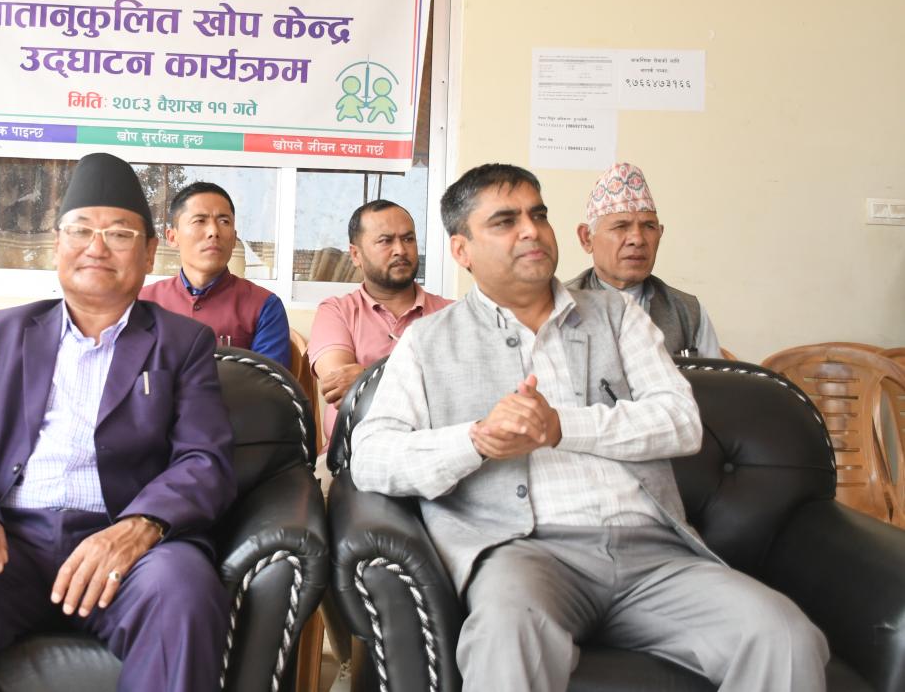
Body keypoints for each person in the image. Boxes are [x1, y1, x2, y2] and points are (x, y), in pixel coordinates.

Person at [351, 163, 827, 691]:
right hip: (524, 556)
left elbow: (681, 422)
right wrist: (474, 440)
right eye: (506, 221)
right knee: (507, 635)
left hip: (654, 553)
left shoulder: (617, 315)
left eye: (538, 215)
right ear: (462, 251)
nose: (531, 231)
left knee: (784, 637)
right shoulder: (427, 342)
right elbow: (370, 456)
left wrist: (561, 427)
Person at [0, 152, 236, 692]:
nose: (97, 247)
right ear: (57, 245)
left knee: (183, 592)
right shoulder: (3, 335)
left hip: (127, 547)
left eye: (119, 234)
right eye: (80, 230)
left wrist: (140, 527)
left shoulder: (182, 343)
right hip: (9, 541)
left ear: (149, 252)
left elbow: (205, 459)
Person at [308, 199, 450, 440]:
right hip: (349, 453)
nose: (401, 250)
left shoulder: (450, 313)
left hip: (432, 449)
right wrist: (429, 382)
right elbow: (341, 387)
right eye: (386, 241)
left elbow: (464, 388)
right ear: (356, 255)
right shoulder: (336, 311)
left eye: (408, 239)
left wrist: (367, 376)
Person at [565, 161, 721, 357]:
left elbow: (713, 376)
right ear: (587, 238)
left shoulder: (688, 312)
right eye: (621, 226)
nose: (637, 239)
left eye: (649, 227)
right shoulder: (558, 306)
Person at [139, 181, 291, 367]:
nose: (213, 232)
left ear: (234, 239)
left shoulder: (265, 306)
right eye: (199, 221)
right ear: (172, 237)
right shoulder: (142, 303)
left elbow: (269, 382)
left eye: (224, 222)